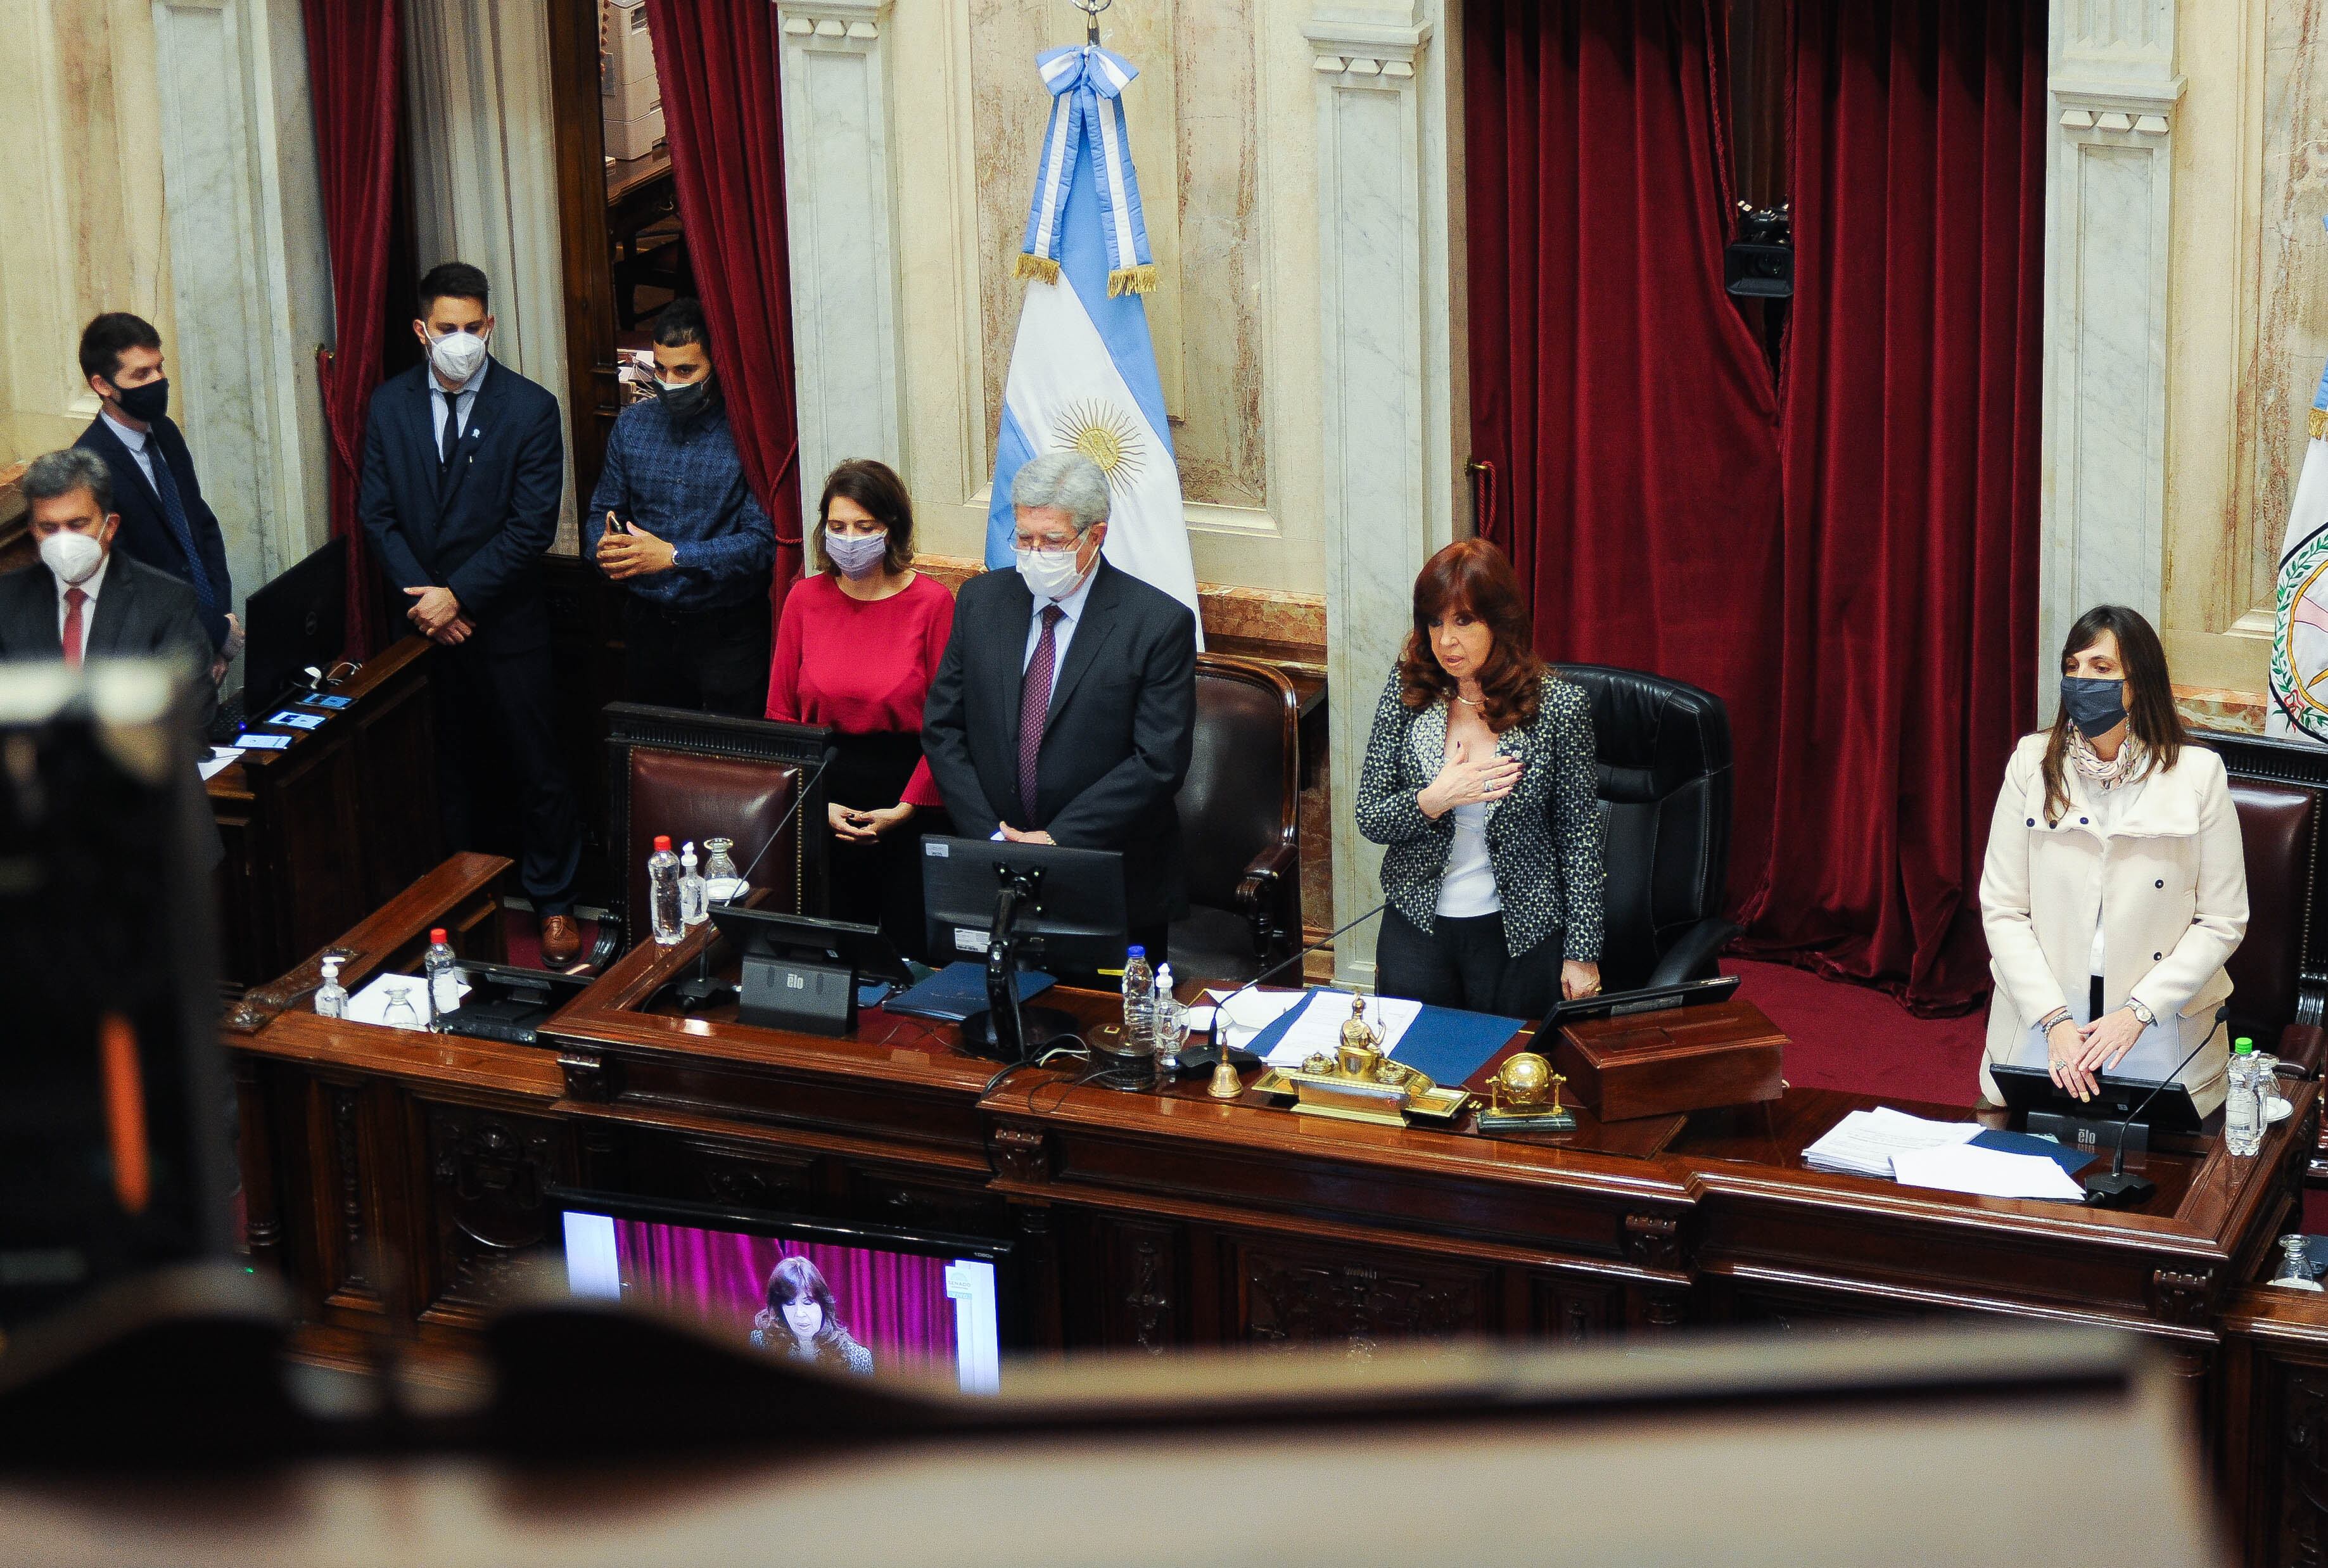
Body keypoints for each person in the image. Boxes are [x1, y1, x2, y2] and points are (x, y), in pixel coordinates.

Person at [359, 262, 585, 966]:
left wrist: (459, 596)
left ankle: (554, 903)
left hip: (504, 622)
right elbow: (378, 513)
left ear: (490, 326)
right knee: (443, 769)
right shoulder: (389, 405)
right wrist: (429, 602)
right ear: (422, 330)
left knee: (536, 764)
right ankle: (455, 907)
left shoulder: (530, 408)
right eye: (447, 329)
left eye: (473, 327)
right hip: (423, 625)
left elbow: (531, 526)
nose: (461, 340)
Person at [920, 450, 1197, 964]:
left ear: (1096, 536)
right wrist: (992, 836)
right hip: (993, 864)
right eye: (1024, 538)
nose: (1033, 552)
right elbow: (943, 727)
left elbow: (1158, 759)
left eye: (1052, 541)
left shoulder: (1156, 623)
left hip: (1109, 874)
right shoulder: (981, 602)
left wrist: (1056, 840)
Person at [1980, 606, 2248, 1114]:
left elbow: (2222, 919)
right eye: (2072, 666)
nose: (2082, 680)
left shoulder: (2198, 774)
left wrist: (2139, 1011)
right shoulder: (2030, 763)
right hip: (2047, 1029)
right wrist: (2053, 1019)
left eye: (2101, 668)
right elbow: (2002, 908)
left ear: (2138, 682)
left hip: (2158, 1029)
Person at [1354, 539, 1604, 1019]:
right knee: (1416, 1074)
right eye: (1434, 621)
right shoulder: (1409, 689)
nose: (1445, 640)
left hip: (1519, 935)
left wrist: (1582, 952)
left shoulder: (1558, 708)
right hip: (1417, 929)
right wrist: (1434, 799)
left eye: (1463, 621)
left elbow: (1579, 839)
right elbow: (1370, 816)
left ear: (1499, 621)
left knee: (1508, 1076)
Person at [765, 460, 955, 957]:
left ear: (892, 529)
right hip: (821, 796)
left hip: (910, 795)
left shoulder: (933, 604)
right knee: (826, 956)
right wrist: (815, 801)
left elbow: (949, 724)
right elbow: (780, 718)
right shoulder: (804, 599)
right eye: (837, 526)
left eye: (864, 527)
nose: (849, 539)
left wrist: (906, 808)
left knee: (909, 957)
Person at [0, 449, 222, 865]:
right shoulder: (6, 605)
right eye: (50, 527)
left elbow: (194, 712)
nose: (64, 540)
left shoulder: (164, 601)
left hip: (150, 843)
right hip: (41, 850)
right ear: (33, 531)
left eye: (77, 524)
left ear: (109, 525)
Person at [583, 298, 775, 716]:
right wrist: (603, 547)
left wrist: (672, 556)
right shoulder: (633, 424)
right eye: (661, 369)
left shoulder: (748, 434)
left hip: (727, 629)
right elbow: (604, 507)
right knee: (656, 752)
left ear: (717, 367)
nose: (669, 382)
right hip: (647, 625)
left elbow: (761, 545)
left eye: (686, 371)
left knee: (731, 760)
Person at [74, 312, 239, 682]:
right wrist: (212, 633)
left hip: (204, 631)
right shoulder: (89, 468)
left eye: (159, 368)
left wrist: (222, 617)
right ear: (103, 385)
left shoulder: (164, 431)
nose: (158, 381)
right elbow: (129, 578)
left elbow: (200, 527)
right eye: (141, 374)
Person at [749, 1255, 874, 1375]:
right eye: (790, 1304)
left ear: (823, 1305)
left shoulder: (857, 1358)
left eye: (808, 1303)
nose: (799, 1314)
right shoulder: (762, 1344)